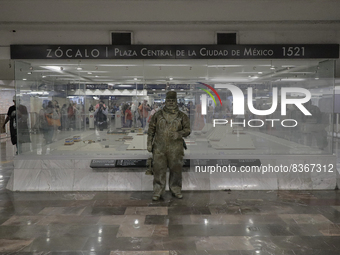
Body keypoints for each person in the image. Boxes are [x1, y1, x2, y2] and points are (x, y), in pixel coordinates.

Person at [147, 91, 191, 201]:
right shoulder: (157, 115)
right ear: (165, 101)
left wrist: (179, 134)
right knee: (158, 170)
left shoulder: (182, 116)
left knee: (176, 170)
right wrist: (149, 143)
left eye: (173, 100)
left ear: (176, 102)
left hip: (176, 148)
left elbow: (188, 130)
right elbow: (151, 130)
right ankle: (158, 191)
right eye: (169, 100)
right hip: (159, 147)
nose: (171, 102)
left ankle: (176, 189)